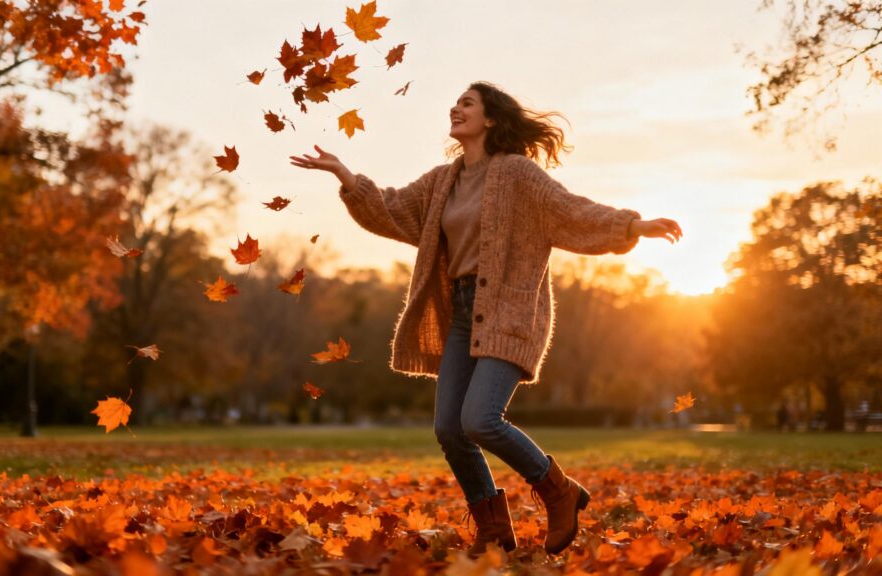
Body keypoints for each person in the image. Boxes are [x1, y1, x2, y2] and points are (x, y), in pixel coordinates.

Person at [289, 81, 682, 557]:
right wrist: (345, 176)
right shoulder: (442, 182)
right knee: (449, 429)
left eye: (467, 103)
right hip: (459, 313)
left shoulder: (517, 174)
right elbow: (392, 210)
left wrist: (630, 226)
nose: (455, 108)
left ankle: (559, 491)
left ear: (490, 119)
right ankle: (494, 529)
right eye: (455, 102)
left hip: (508, 312)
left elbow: (568, 210)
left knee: (480, 419)